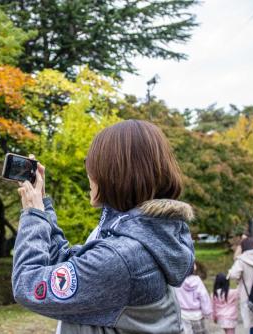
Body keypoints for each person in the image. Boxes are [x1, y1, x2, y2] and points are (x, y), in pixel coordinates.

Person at [12, 120, 195, 333]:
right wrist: (42, 208)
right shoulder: (147, 238)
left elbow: (28, 284)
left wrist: (33, 216)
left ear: (113, 172)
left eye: (92, 164)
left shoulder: (122, 257)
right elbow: (67, 264)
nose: (89, 174)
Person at [174, 262, 212, 334]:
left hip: (183, 314)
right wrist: (207, 312)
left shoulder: (179, 281)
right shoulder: (197, 280)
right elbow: (203, 296)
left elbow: (176, 296)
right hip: (197, 315)